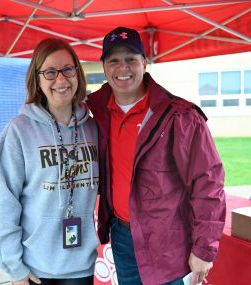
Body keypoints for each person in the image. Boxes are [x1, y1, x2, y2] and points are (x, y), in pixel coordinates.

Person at [87, 26, 226, 285]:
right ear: (104, 67)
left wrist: (204, 248)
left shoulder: (180, 117)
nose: (123, 68)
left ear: (144, 62)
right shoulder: (98, 112)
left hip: (166, 241)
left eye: (131, 59)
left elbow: (209, 184)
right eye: (114, 60)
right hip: (122, 237)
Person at [0, 38, 99, 285]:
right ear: (37, 78)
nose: (61, 79)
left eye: (68, 69)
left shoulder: (94, 128)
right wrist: (14, 266)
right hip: (35, 267)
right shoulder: (19, 130)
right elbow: (6, 202)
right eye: (50, 72)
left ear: (77, 73)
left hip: (85, 264)